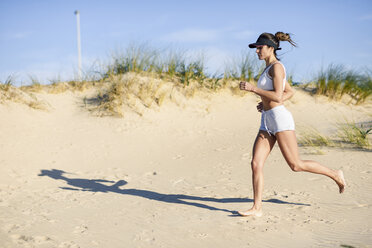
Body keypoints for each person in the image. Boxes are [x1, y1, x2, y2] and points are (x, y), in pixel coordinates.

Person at [238, 32, 346, 217]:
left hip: (280, 120)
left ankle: (335, 174)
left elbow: (279, 96)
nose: (257, 50)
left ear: (271, 48)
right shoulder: (268, 68)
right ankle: (257, 208)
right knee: (256, 163)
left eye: (260, 47)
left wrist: (254, 89)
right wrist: (264, 102)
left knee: (295, 165)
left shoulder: (277, 68)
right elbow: (290, 92)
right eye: (256, 48)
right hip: (267, 120)